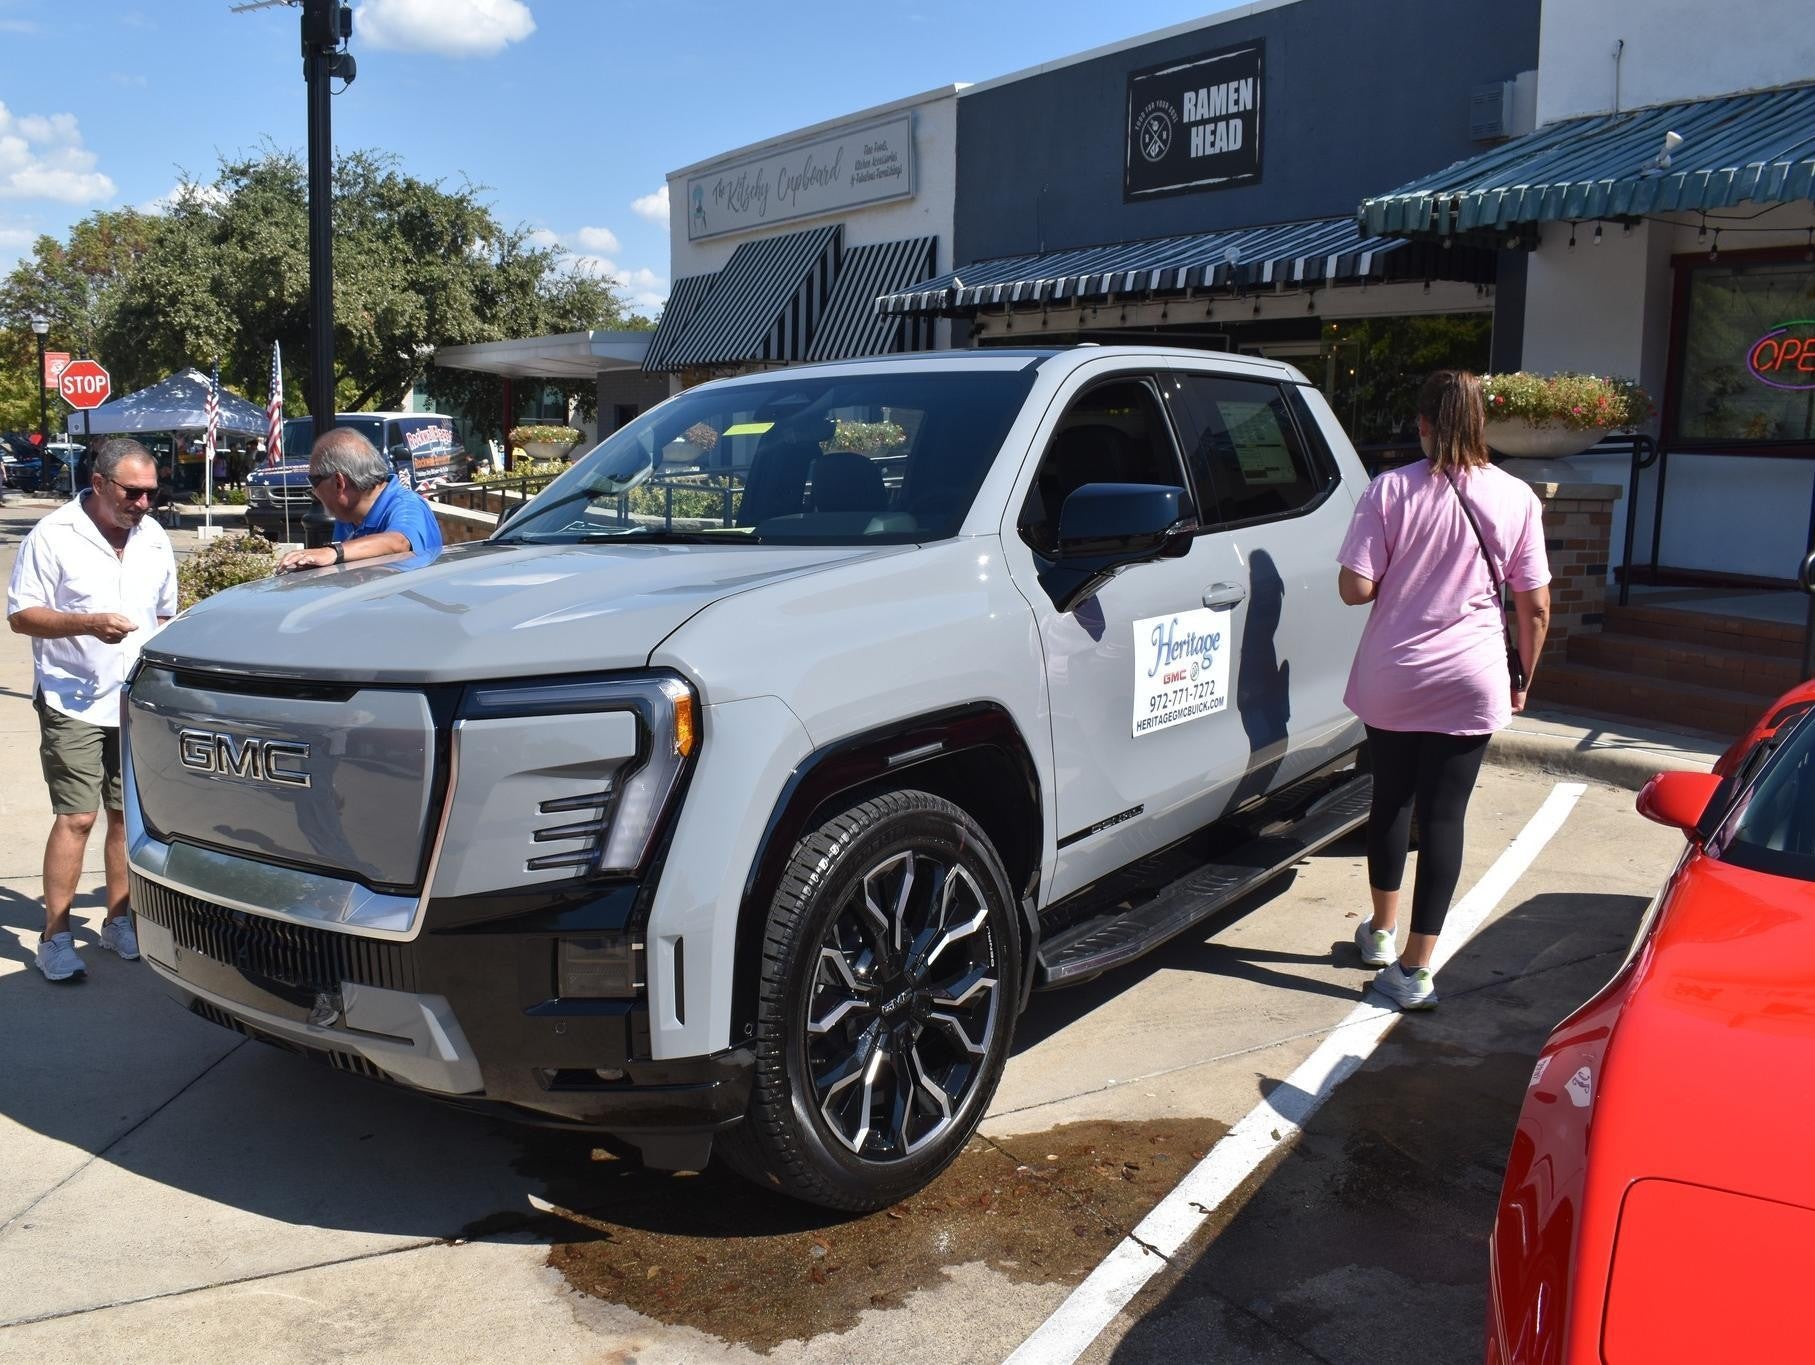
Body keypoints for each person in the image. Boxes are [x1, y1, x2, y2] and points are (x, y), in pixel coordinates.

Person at [1335, 370, 1551, 1011]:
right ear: (1481, 424)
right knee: (1446, 817)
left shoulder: (1389, 491)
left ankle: (1379, 933)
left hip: (1395, 674)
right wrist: (1522, 679)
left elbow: (1356, 589)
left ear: (1424, 425)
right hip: (1472, 675)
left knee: (1391, 801)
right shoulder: (1518, 498)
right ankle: (1416, 970)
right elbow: (1534, 605)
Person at [6, 437, 178, 982]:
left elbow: (167, 613)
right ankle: (54, 936)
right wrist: (86, 623)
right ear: (100, 483)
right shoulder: (54, 535)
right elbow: (22, 616)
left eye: (152, 492)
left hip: (135, 699)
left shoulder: (152, 537)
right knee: (77, 817)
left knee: (126, 817)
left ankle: (118, 922)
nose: (144, 504)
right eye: (133, 492)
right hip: (71, 696)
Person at [275, 426, 443, 573]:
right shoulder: (348, 514)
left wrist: (333, 552)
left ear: (339, 482)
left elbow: (398, 542)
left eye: (314, 481)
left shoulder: (407, 505)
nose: (313, 491)